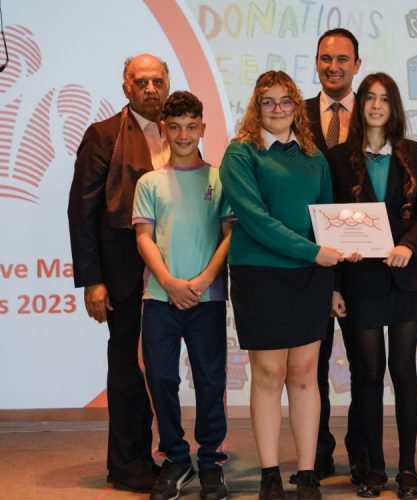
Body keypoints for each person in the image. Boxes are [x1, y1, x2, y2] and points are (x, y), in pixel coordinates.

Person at [219, 70, 343, 500]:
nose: (277, 109)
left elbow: (327, 220)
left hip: (310, 277)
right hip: (260, 275)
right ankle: (270, 474)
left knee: (305, 374)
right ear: (256, 106)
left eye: (285, 100)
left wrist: (333, 279)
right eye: (267, 101)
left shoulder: (314, 156)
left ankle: (306, 475)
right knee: (269, 374)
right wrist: (312, 251)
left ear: (296, 106)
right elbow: (255, 220)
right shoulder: (241, 153)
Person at [327, 72, 417, 499]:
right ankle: (374, 469)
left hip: (406, 279)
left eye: (384, 99)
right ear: (360, 106)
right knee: (368, 374)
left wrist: (409, 245)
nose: (376, 106)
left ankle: (408, 469)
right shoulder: (338, 158)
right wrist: (335, 284)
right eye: (369, 98)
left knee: (403, 371)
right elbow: (329, 221)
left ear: (394, 107)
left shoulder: (416, 154)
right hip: (360, 280)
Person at [67, 53, 170, 492]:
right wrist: (92, 280)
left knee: (161, 369)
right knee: (129, 370)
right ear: (126, 87)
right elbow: (82, 211)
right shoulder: (104, 135)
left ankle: (166, 456)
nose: (150, 89)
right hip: (124, 274)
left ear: (168, 84)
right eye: (141, 82)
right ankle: (128, 465)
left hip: (172, 273)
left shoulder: (179, 132)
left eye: (157, 81)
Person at [132, 91, 233, 500]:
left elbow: (229, 235)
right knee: (160, 376)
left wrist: (204, 279)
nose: (184, 135)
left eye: (191, 127)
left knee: (210, 380)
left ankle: (211, 461)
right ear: (163, 130)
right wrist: (170, 283)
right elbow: (144, 237)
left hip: (207, 299)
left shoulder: (220, 179)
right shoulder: (149, 182)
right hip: (160, 298)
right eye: (175, 127)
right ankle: (175, 457)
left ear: (203, 128)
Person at [304, 27, 369, 483]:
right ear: (316, 63)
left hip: (364, 263)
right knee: (311, 366)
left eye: (342, 59)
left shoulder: (374, 112)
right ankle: (318, 451)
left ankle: (361, 452)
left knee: (365, 366)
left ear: (357, 65)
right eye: (326, 58)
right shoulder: (297, 115)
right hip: (310, 262)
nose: (333, 67)